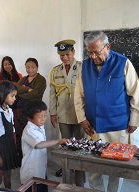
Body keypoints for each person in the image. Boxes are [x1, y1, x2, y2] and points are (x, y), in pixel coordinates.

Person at [74, 31, 139, 192]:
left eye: (96, 52)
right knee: (94, 167)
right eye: (89, 52)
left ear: (107, 46)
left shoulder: (123, 63)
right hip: (93, 125)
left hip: (118, 126)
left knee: (117, 168)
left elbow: (136, 93)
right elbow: (78, 96)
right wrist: (82, 119)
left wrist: (134, 120)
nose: (92, 56)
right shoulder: (85, 66)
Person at [49, 39, 83, 177]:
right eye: (62, 55)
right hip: (62, 113)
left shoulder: (83, 67)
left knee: (81, 143)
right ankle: (66, 168)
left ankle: (80, 169)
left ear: (73, 52)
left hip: (79, 113)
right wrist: (52, 113)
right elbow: (52, 93)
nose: (65, 58)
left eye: (68, 54)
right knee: (65, 143)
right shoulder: (56, 71)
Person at [20, 100, 69, 192]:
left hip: (40, 168)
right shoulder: (29, 130)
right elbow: (39, 144)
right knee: (33, 188)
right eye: (40, 117)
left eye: (45, 115)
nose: (43, 119)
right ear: (29, 118)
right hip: (32, 171)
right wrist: (58, 141)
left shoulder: (39, 126)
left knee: (41, 186)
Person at [0, 81, 20, 189]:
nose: (14, 98)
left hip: (9, 145)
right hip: (0, 147)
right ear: (2, 95)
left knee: (8, 175)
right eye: (12, 96)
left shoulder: (9, 111)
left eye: (15, 96)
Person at [15, 58, 46, 161]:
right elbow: (15, 88)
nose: (30, 69)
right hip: (20, 112)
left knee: (32, 135)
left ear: (37, 68)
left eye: (32, 67)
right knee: (21, 134)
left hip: (33, 113)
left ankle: (33, 158)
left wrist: (21, 94)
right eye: (28, 67)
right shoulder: (24, 79)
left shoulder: (40, 79)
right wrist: (27, 89)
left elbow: (36, 94)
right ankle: (21, 157)